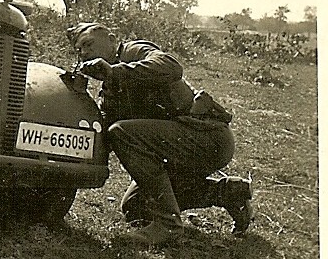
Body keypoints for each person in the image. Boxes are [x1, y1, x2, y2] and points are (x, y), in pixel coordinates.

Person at [67, 22, 254, 246]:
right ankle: (228, 193)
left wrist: (115, 71)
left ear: (111, 38)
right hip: (179, 148)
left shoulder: (133, 51)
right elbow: (105, 135)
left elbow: (171, 67)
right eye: (79, 50)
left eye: (88, 44)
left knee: (122, 132)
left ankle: (168, 225)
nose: (85, 52)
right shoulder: (110, 89)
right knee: (135, 208)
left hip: (207, 138)